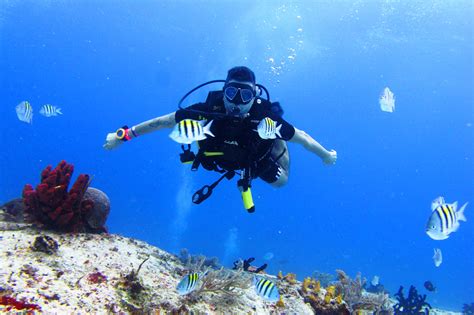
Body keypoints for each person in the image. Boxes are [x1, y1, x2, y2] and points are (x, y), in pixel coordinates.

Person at [104, 66, 336, 191]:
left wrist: (325, 155)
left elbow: (302, 137)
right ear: (223, 92)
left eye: (245, 95)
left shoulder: (262, 115)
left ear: (253, 95)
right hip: (219, 156)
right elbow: (165, 121)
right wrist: (123, 135)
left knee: (281, 183)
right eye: (231, 93)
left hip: (255, 157)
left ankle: (277, 143)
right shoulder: (208, 108)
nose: (237, 101)